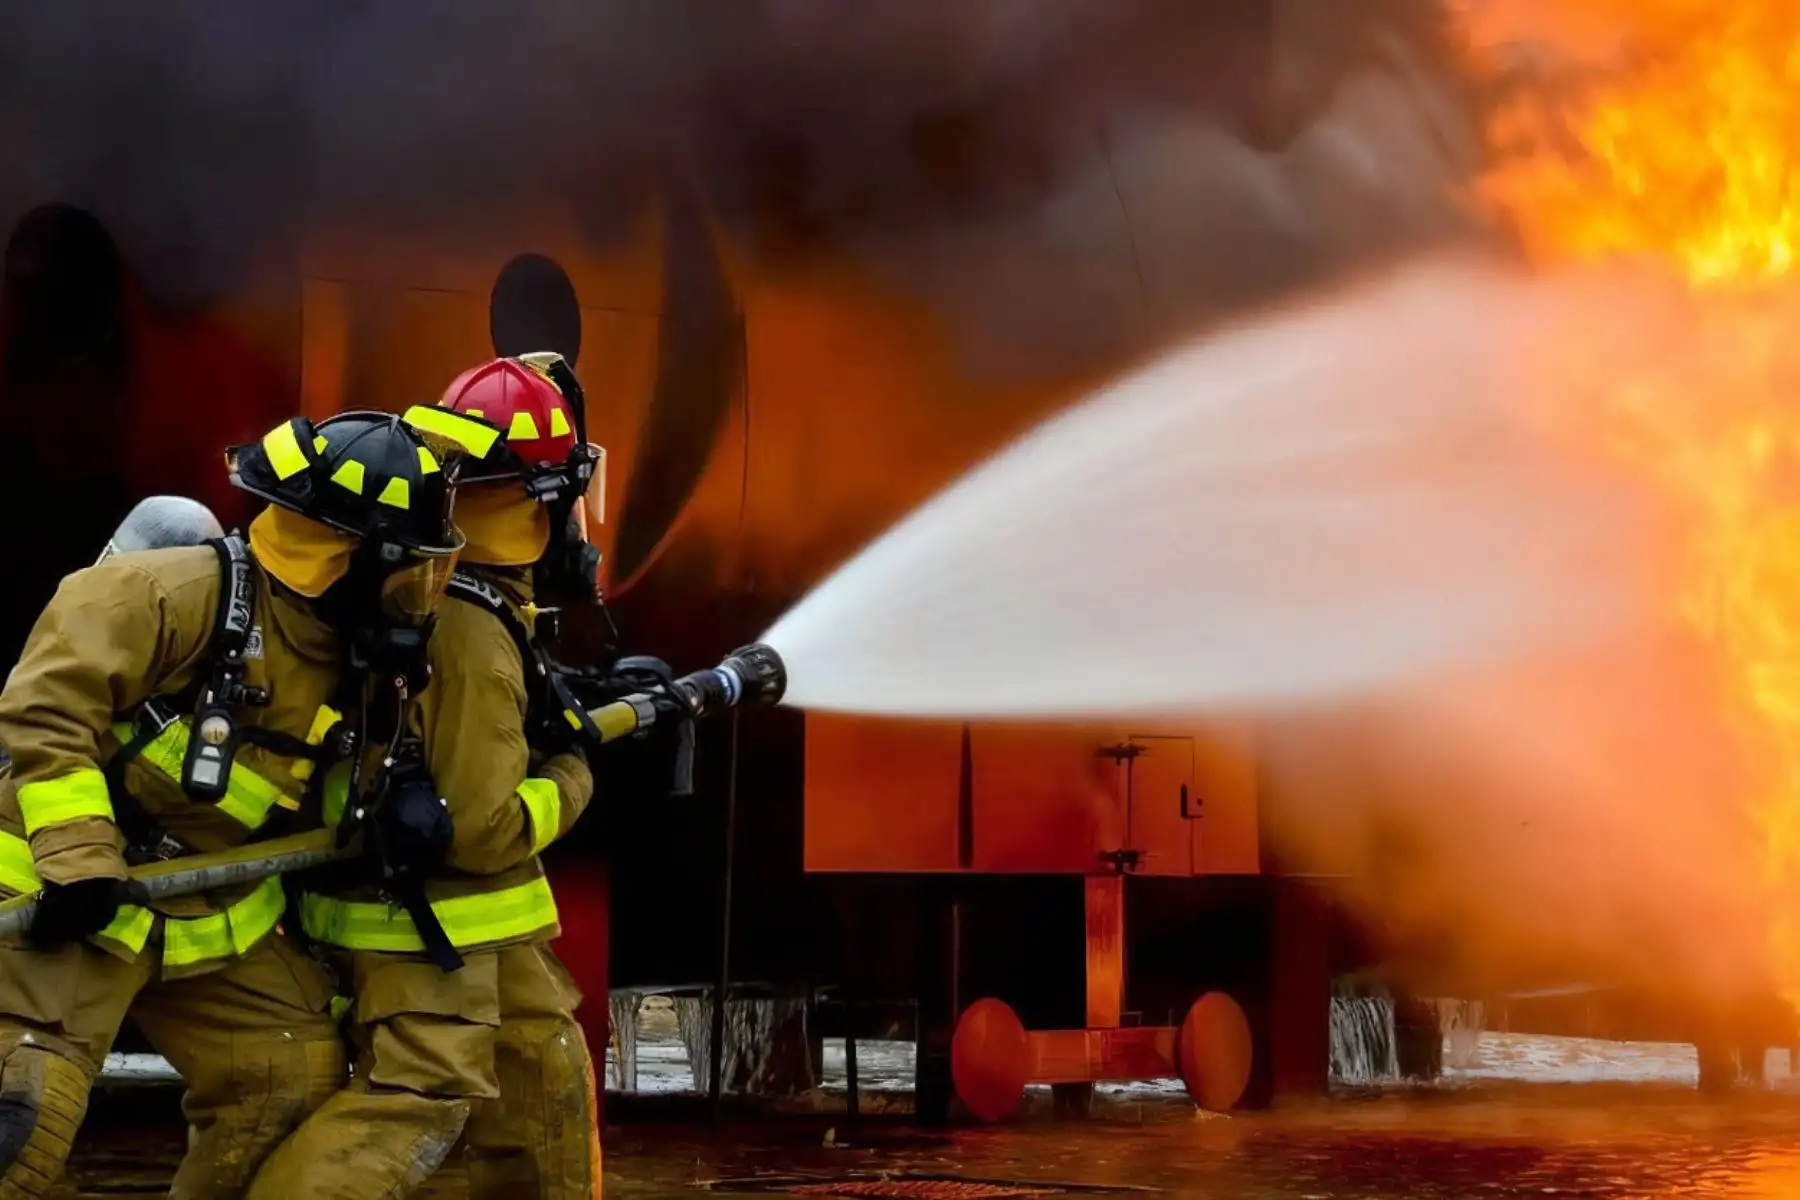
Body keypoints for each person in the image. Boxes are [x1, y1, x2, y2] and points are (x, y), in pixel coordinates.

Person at [0, 410, 465, 1199]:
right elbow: (45, 712)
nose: (419, 593)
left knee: (285, 1077)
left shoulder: (355, 650)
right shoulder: (165, 594)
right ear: (353, 556)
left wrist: (395, 798)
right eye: (409, 568)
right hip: (71, 899)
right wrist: (79, 858)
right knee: (25, 1118)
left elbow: (337, 767)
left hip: (208, 910)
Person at [255, 354, 605, 1198]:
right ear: (544, 497)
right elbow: (483, 827)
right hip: (428, 921)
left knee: (542, 1076)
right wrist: (573, 771)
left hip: (474, 926)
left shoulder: (447, 586)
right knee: (415, 1103)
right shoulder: (472, 629)